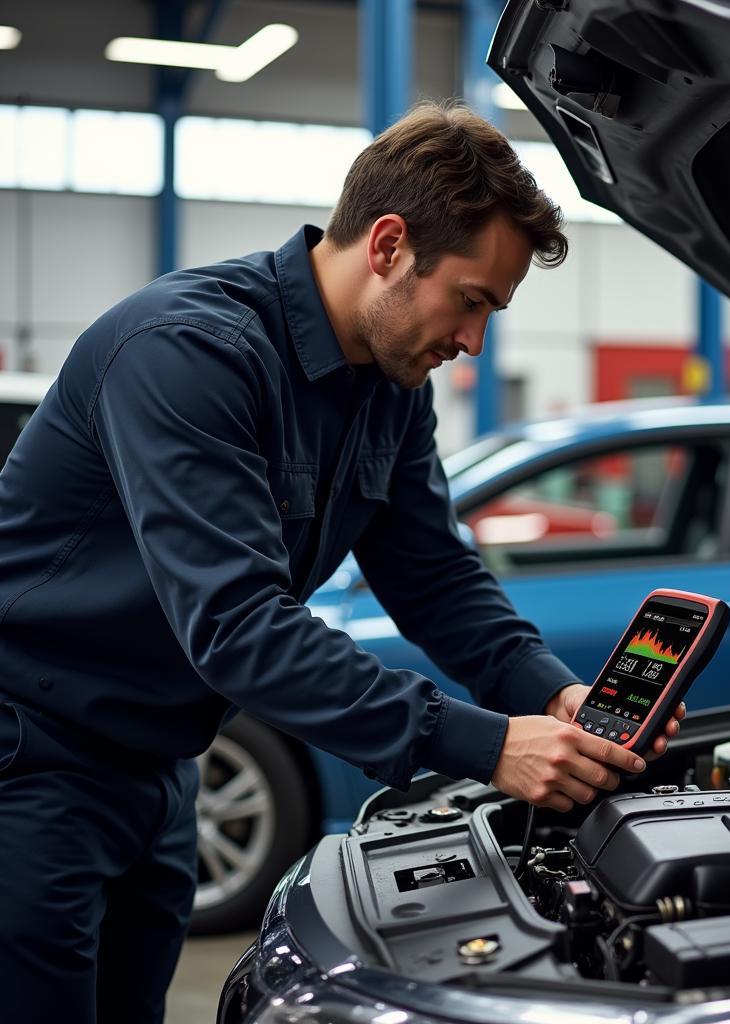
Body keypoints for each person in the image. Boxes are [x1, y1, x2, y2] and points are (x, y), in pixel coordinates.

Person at [0, 102, 684, 1022]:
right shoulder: (187, 352)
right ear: (390, 244)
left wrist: (550, 695)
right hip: (29, 759)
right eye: (472, 301)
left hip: (160, 768)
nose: (474, 342)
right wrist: (487, 747)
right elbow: (238, 628)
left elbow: (434, 576)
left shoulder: (389, 386)